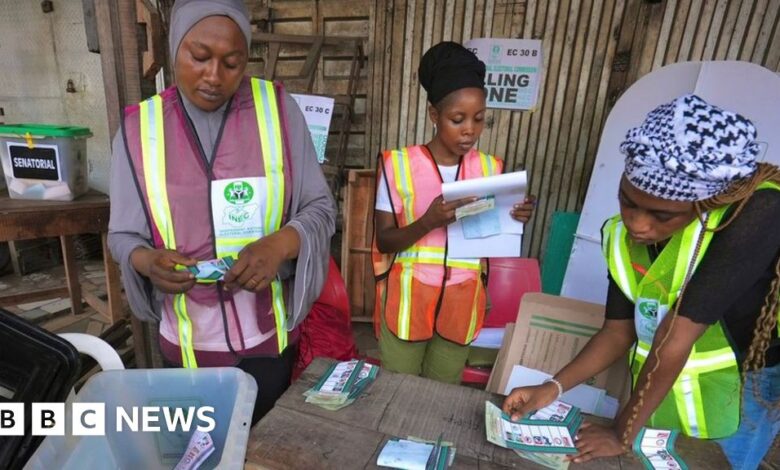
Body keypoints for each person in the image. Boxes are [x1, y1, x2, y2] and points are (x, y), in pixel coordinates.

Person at [502, 94, 780, 469]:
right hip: (664, 386)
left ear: (707, 202)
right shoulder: (618, 236)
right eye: (627, 201)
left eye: (662, 215)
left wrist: (622, 433)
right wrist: (551, 388)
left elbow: (675, 336)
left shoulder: (758, 211)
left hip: (746, 385)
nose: (637, 224)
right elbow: (618, 332)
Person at [107, 0, 335, 424]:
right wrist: (149, 262)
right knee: (199, 450)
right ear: (174, 46)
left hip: (267, 340)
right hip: (188, 346)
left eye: (232, 62)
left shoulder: (279, 112)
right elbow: (122, 236)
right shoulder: (140, 130)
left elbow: (320, 207)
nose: (214, 76)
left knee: (263, 448)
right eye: (199, 57)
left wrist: (280, 244)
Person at [372, 42, 535, 384]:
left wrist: (515, 216)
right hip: (407, 307)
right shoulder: (397, 165)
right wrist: (428, 222)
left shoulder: (491, 169)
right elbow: (385, 241)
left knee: (441, 400)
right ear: (434, 115)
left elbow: (495, 239)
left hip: (461, 307)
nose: (469, 131)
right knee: (398, 396)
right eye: (457, 119)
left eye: (479, 119)